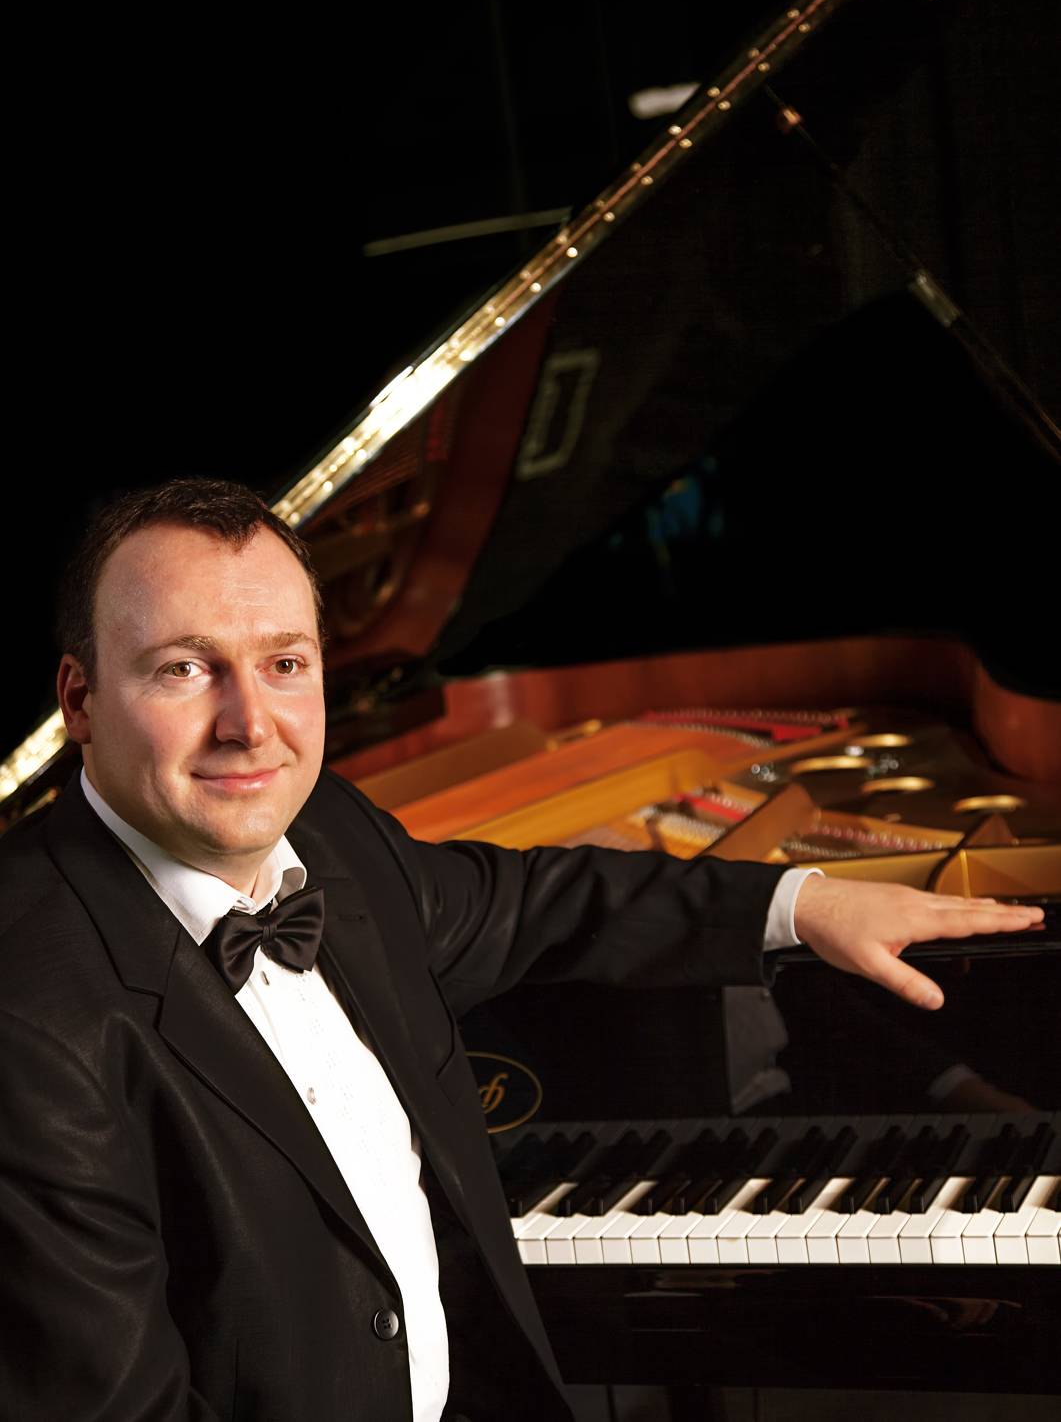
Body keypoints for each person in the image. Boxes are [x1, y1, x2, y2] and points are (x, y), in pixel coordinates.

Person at [0, 479, 1041, 1422]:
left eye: (284, 664)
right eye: (184, 669)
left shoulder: (332, 835)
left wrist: (795, 902)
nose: (250, 724)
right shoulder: (27, 1022)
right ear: (79, 700)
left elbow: (536, 899)